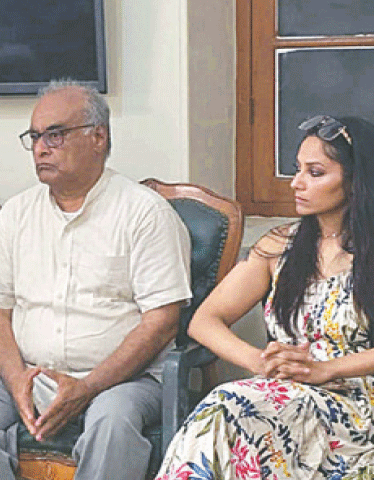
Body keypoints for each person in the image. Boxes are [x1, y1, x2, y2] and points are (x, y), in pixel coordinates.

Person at [0, 80, 192, 480]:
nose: (41, 148)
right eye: (35, 137)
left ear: (98, 137)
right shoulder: (16, 214)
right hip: (32, 375)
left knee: (112, 422)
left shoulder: (145, 213)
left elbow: (161, 322)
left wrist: (88, 387)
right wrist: (17, 380)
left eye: (55, 135)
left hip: (121, 382)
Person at [155, 115, 374, 479]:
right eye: (297, 169)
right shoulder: (279, 247)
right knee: (226, 407)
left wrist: (324, 369)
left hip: (356, 403)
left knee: (230, 408)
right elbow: (204, 321)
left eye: (315, 173)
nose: (297, 183)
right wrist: (260, 362)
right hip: (283, 394)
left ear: (355, 182)